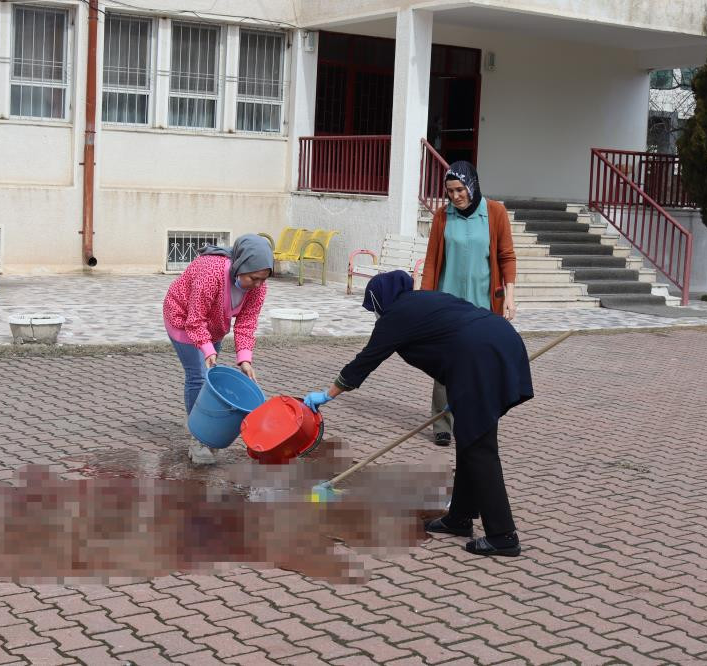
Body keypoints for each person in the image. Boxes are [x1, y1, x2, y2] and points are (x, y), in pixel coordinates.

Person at [302, 271, 533, 557]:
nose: (375, 314)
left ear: (380, 300)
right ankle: (459, 518)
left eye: (374, 308)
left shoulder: (395, 316)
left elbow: (365, 361)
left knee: (479, 448)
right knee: (470, 439)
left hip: (480, 357)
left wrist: (327, 395)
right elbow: (449, 342)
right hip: (497, 341)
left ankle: (503, 536)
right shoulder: (424, 300)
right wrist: (459, 394)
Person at [420, 161, 517, 447]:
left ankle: (474, 417)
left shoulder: (495, 213)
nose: (455, 196)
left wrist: (510, 295)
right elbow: (431, 261)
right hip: (447, 304)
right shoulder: (442, 216)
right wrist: (424, 300)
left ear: (472, 185)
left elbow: (506, 256)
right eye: (450, 191)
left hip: (482, 306)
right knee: (445, 363)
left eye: (460, 189)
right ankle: (442, 423)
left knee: (479, 364)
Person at [163, 234, 274, 465]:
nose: (258, 284)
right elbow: (195, 319)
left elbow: (246, 323)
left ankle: (205, 426)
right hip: (182, 317)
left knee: (210, 375)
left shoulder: (258, 287)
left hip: (214, 326)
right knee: (198, 376)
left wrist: (245, 359)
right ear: (241, 265)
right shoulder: (211, 271)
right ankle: (198, 439)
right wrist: (207, 349)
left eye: (263, 279)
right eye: (254, 278)